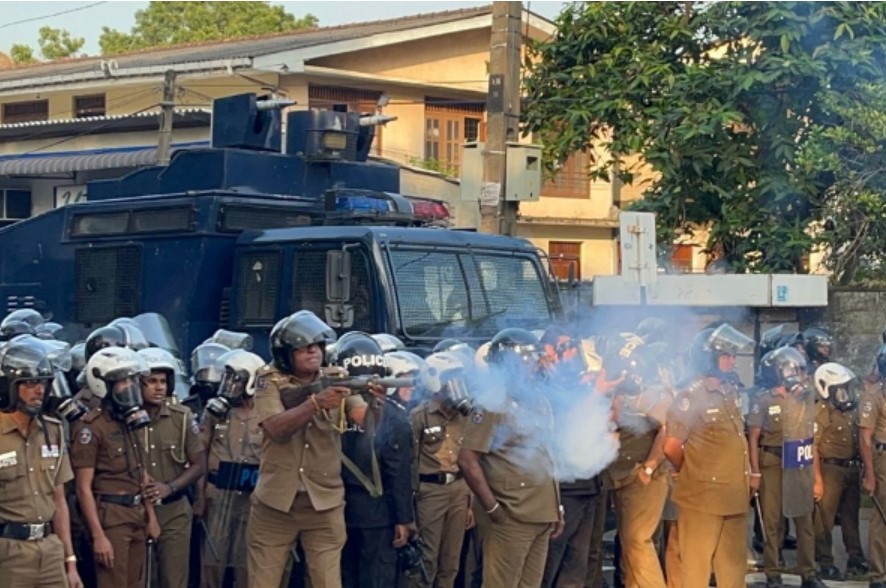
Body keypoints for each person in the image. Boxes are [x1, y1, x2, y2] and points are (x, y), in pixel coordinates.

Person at [245, 310, 367, 588]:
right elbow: (276, 428)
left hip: (324, 502)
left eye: (317, 345)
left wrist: (378, 403)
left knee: (327, 582)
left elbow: (365, 420)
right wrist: (315, 403)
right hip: (275, 502)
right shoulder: (269, 380)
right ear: (285, 354)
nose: (313, 351)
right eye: (303, 347)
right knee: (262, 581)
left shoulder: (337, 376)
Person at [458, 328, 563, 588]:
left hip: (540, 511)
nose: (536, 364)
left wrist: (556, 507)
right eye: (529, 359)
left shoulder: (538, 399)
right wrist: (493, 509)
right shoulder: (491, 402)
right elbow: (468, 459)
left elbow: (547, 456)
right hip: (511, 514)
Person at [663, 323, 753, 588]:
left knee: (734, 571)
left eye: (733, 355)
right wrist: (691, 469)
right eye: (726, 355)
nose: (732, 360)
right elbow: (671, 446)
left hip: (734, 496)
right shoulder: (691, 396)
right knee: (695, 570)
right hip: (702, 498)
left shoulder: (730, 391)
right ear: (708, 358)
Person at [70, 347, 161, 588]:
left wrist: (151, 517)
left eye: (132, 380)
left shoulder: (129, 422)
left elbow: (141, 473)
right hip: (112, 518)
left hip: (137, 515)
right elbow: (83, 488)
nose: (130, 387)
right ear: (104, 385)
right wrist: (98, 536)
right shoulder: (91, 427)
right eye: (123, 381)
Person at [0, 338, 83, 588]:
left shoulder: (53, 431)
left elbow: (59, 501)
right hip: (8, 553)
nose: (40, 390)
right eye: (30, 383)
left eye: (44, 383)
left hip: (50, 551)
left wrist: (70, 562)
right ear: (8, 386)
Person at [336, 333, 415, 588]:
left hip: (335, 510)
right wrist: (404, 518)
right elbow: (397, 472)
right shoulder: (394, 417)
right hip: (378, 515)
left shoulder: (328, 411)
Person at [748, 347, 825, 588]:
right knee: (772, 521)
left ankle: (808, 572)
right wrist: (755, 471)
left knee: (804, 518)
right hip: (771, 462)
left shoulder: (803, 398)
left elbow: (810, 438)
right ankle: (772, 571)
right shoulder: (764, 399)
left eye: (798, 369)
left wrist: (816, 477)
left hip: (798, 462)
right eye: (790, 369)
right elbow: (753, 438)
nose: (796, 373)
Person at [602, 333, 670, 588]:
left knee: (637, 540)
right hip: (624, 475)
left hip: (642, 475)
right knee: (630, 543)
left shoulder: (652, 393)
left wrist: (649, 467)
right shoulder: (626, 393)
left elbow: (668, 429)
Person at [138, 347, 206, 588]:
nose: (159, 388)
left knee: (174, 579)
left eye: (163, 382)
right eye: (151, 381)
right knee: (141, 579)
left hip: (174, 510)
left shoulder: (182, 417)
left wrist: (171, 487)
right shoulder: (126, 419)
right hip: (136, 512)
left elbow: (199, 465)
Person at [198, 349, 266, 588]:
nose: (230, 385)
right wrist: (200, 496)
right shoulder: (214, 412)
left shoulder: (267, 412)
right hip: (217, 493)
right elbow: (200, 454)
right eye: (227, 379)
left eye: (236, 379)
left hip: (252, 497)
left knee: (247, 563)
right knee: (212, 560)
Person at [412, 351, 472, 588]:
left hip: (459, 489)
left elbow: (471, 459)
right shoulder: (419, 417)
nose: (457, 386)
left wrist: (469, 502)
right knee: (428, 558)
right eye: (451, 379)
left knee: (451, 560)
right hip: (430, 490)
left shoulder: (465, 416)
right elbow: (410, 462)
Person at [811, 362, 868, 581]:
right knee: (824, 518)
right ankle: (825, 561)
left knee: (850, 516)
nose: (845, 393)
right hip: (830, 469)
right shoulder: (821, 411)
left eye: (846, 387)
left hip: (851, 468)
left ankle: (856, 558)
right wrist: (817, 479)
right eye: (840, 388)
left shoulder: (852, 410)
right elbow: (813, 446)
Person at [860, 344, 886, 588]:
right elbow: (865, 437)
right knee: (881, 515)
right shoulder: (875, 396)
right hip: (883, 458)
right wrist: (869, 474)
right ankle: (878, 574)